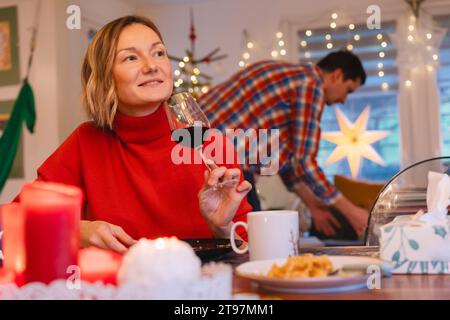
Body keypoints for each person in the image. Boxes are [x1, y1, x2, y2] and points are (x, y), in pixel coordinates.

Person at [17, 16, 252, 253]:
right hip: (118, 287)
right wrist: (75, 230)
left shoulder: (209, 144)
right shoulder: (85, 142)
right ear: (104, 77)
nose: (152, 66)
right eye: (131, 57)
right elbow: (15, 218)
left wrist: (222, 227)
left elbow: (249, 253)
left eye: (159, 53)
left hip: (202, 288)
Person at [198, 51, 369, 239]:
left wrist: (312, 205)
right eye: (349, 90)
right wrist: (352, 212)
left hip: (200, 153)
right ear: (337, 75)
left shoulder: (290, 78)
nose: (344, 101)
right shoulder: (310, 85)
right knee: (248, 238)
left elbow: (286, 161)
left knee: (242, 235)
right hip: (220, 161)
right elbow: (305, 162)